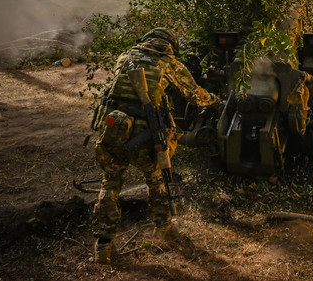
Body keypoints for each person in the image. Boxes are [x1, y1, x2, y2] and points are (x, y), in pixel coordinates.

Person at [91, 27, 218, 264]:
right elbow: (195, 96)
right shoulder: (169, 63)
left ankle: (103, 245)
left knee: (110, 182)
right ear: (170, 46)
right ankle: (163, 227)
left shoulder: (126, 55)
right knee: (156, 178)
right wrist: (215, 99)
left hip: (114, 129)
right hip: (144, 133)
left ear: (146, 41)